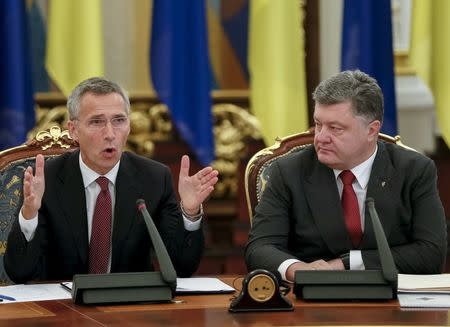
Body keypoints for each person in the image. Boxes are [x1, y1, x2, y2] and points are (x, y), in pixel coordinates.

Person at [4, 77, 219, 283]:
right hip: (64, 311)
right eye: (97, 122)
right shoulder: (45, 181)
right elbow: (20, 272)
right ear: (73, 130)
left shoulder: (154, 179)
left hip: (129, 309)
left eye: (119, 120)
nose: (110, 133)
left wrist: (189, 213)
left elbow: (182, 266)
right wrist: (29, 215)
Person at [245, 70, 447, 282]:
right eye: (318, 124)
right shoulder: (288, 172)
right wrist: (297, 269)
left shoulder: (414, 170)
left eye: (335, 128)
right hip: (312, 304)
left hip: (392, 302)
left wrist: (346, 263)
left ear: (371, 130)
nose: (321, 137)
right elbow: (259, 248)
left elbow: (430, 254)